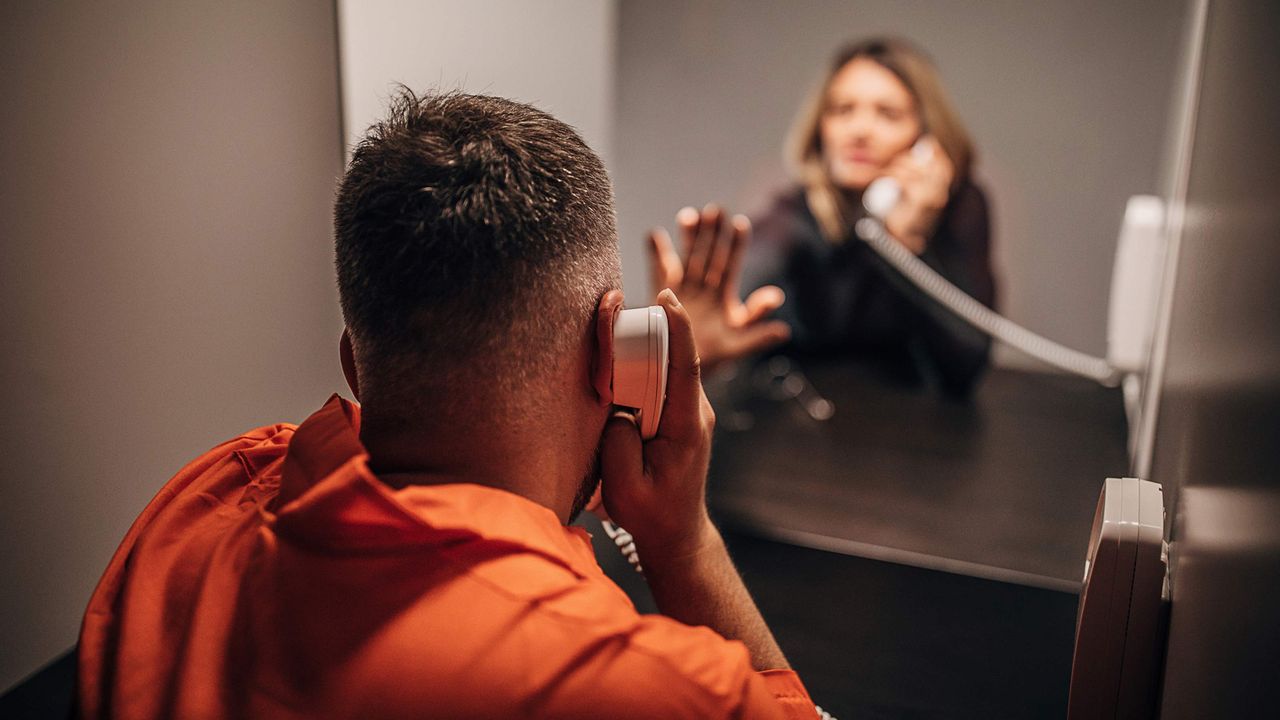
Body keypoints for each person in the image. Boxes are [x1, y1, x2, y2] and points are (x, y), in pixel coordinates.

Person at [75, 90, 816, 719]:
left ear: (352, 364)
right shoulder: (634, 682)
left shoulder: (205, 494)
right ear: (612, 352)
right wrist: (682, 543)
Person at [650, 37, 997, 397]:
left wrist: (906, 242)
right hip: (801, 425)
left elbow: (965, 366)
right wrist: (695, 335)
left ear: (926, 136)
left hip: (914, 431)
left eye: (888, 114)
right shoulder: (797, 213)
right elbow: (764, 253)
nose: (859, 131)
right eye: (842, 110)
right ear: (820, 126)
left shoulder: (961, 207)